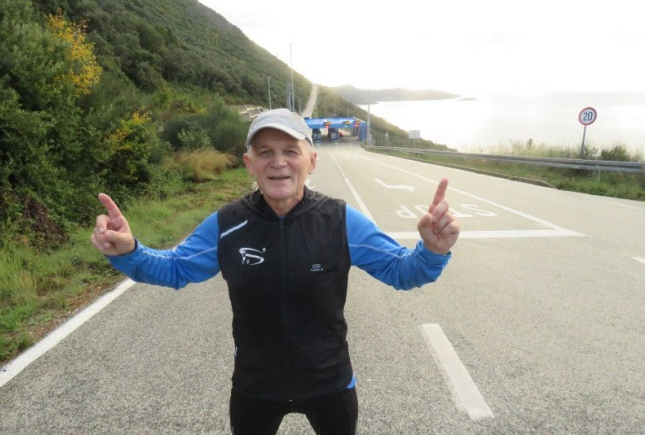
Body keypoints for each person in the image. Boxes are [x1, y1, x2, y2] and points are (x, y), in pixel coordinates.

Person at [91, 108, 460, 435]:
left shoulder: (340, 221)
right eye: (265, 152)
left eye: (290, 152)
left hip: (329, 383)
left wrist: (432, 250)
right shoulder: (228, 224)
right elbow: (175, 269)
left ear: (311, 161)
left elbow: (401, 271)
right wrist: (130, 252)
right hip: (256, 386)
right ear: (249, 163)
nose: (278, 162)